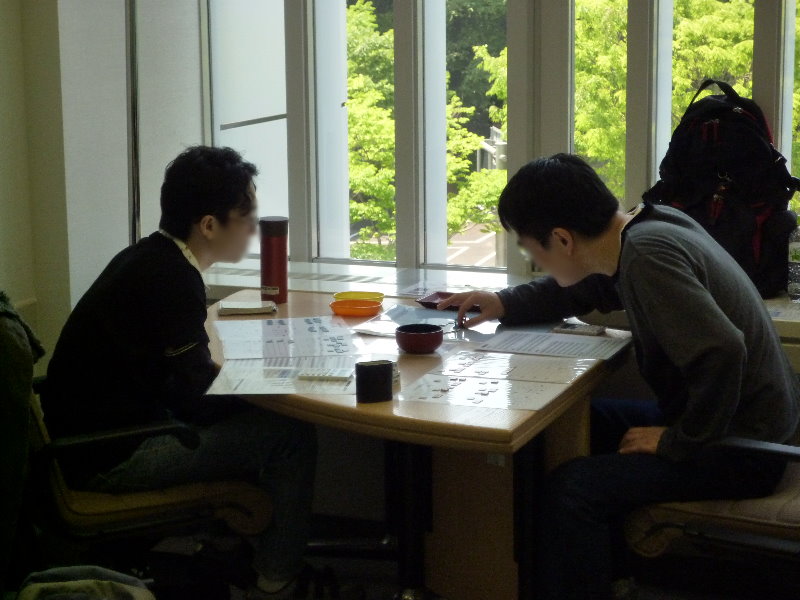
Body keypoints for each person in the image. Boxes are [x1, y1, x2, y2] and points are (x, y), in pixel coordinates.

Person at [437, 153, 800, 599]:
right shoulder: (648, 226)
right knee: (564, 427)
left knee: (575, 491)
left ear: (562, 239)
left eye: (532, 250)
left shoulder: (647, 257)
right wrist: (506, 301)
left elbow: (724, 351)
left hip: (744, 448)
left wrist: (677, 441)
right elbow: (591, 286)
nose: (536, 261)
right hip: (744, 426)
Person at [43, 146, 316, 599]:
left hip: (90, 439)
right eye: (245, 217)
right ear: (208, 225)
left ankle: (240, 551)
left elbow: (182, 376)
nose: (253, 229)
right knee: (290, 434)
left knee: (260, 422)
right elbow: (196, 396)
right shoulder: (172, 280)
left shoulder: (148, 257)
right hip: (111, 456)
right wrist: (270, 386)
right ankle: (275, 580)